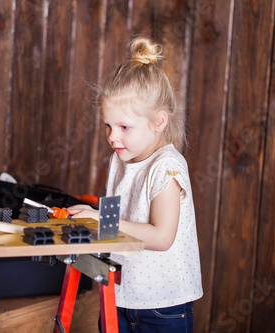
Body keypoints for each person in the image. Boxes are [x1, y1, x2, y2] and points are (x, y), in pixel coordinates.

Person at [67, 35, 203, 332]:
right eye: (108, 126)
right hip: (119, 294)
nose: (112, 137)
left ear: (159, 121)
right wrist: (89, 223)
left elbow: (161, 237)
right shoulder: (120, 161)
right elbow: (114, 225)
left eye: (124, 127)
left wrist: (101, 219)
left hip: (162, 306)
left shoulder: (166, 167)